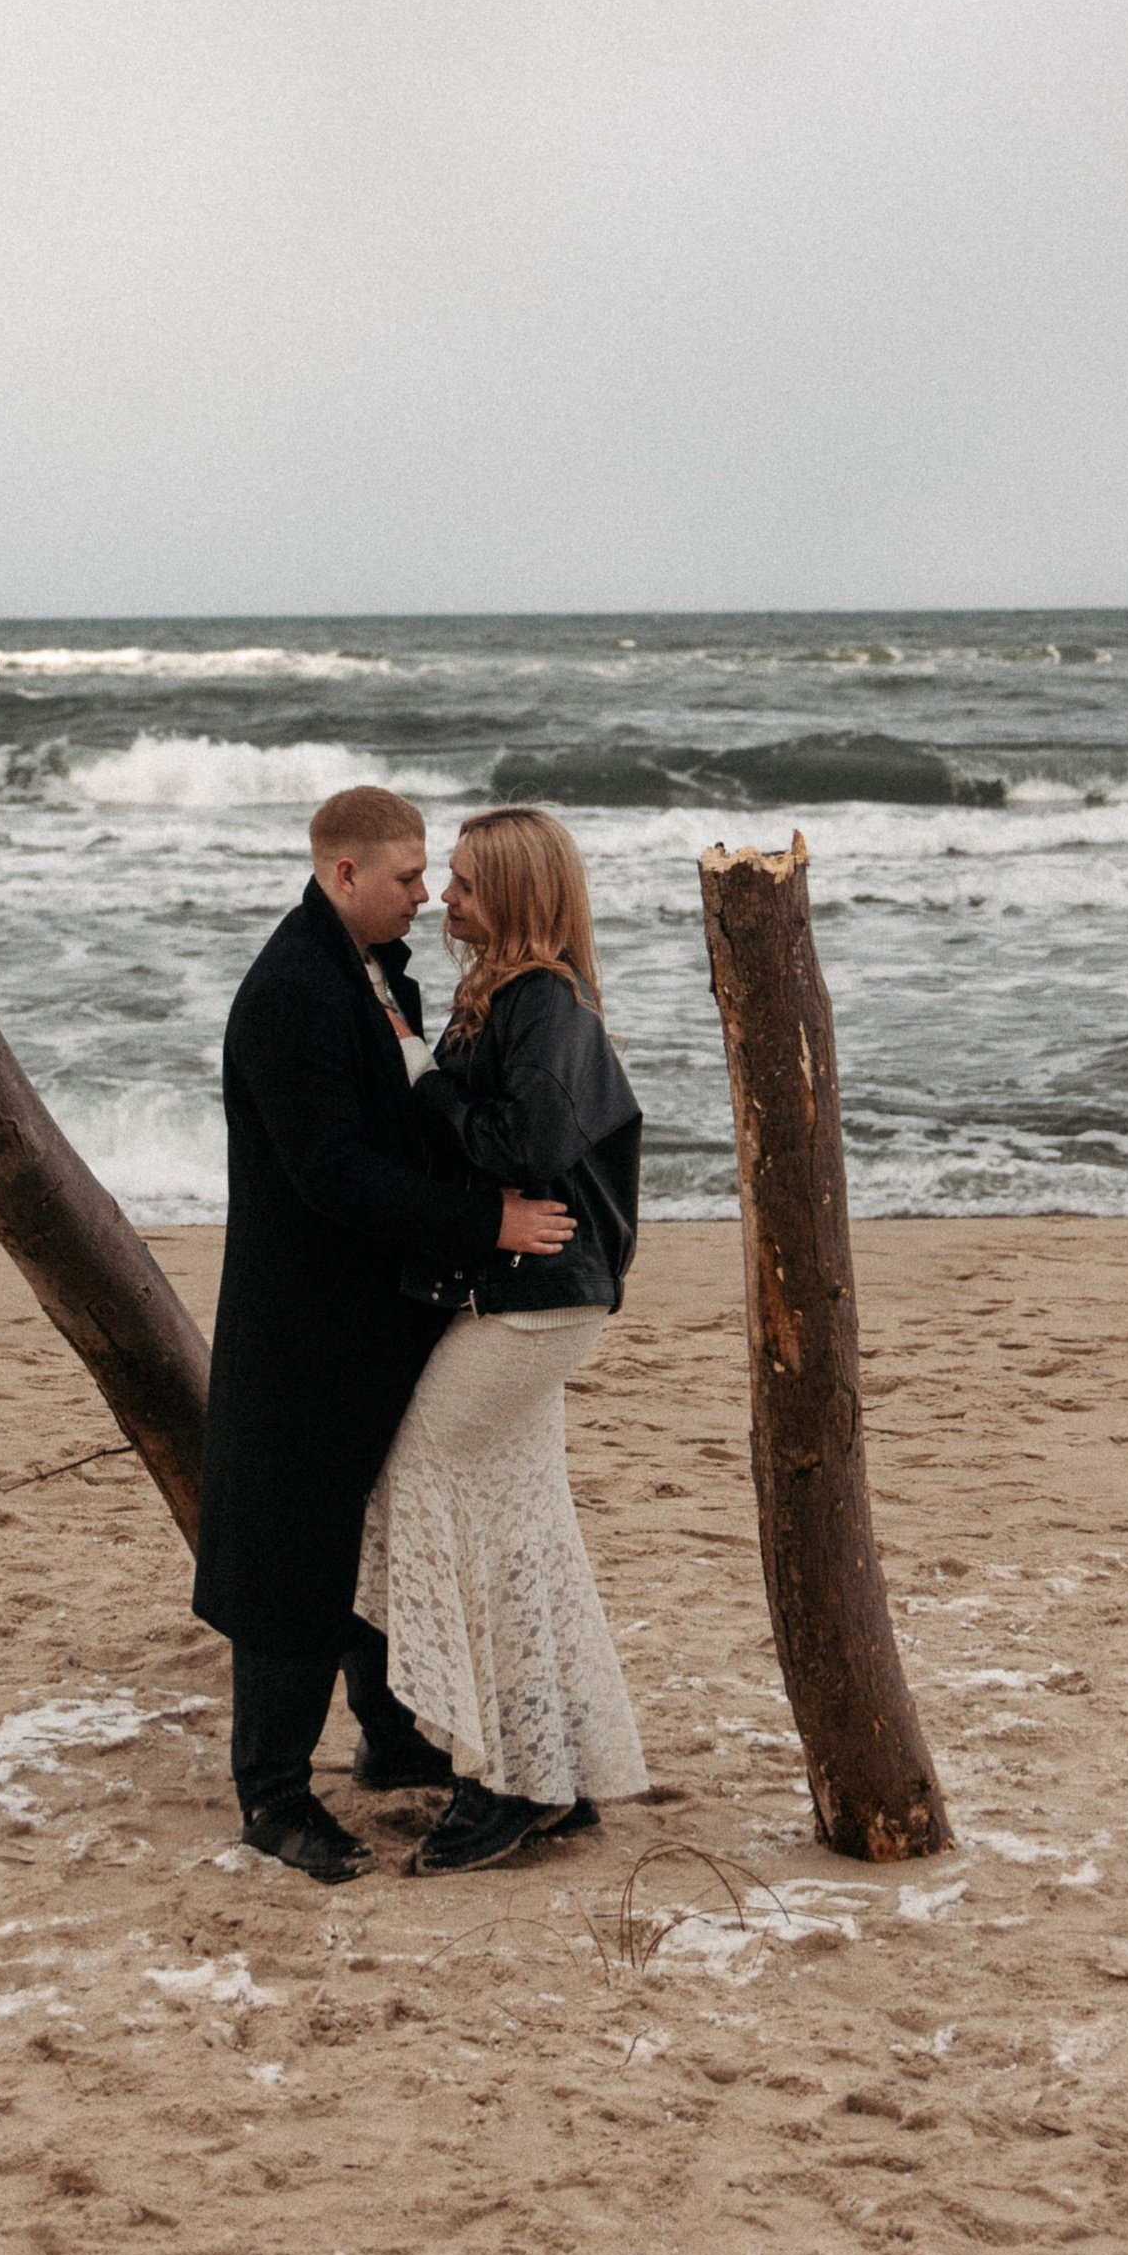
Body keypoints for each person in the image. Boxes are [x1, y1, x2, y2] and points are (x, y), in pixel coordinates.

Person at [191, 785, 575, 1884]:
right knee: (291, 1556)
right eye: (408, 878)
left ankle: (391, 1735)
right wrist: (487, 1219)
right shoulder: (291, 993)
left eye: (430, 876)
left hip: (380, 1305)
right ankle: (269, 1798)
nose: (428, 896)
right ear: (343, 875)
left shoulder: (373, 970)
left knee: (376, 1524)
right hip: (303, 1317)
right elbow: (334, 1176)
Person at [357, 802, 649, 1875]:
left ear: (518, 896)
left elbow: (530, 1138)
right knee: (523, 1526)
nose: (444, 897)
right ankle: (548, 1768)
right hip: (523, 1288)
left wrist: (426, 1085)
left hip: (545, 1292)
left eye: (469, 882)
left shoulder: (545, 1003)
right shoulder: (505, 996)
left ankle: (501, 1777)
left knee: (425, 1478)